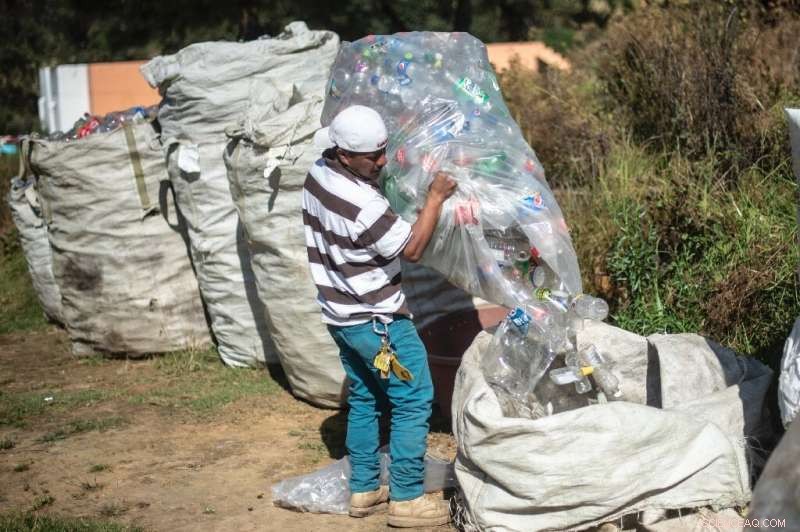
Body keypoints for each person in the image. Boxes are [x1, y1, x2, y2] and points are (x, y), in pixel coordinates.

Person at [302, 105, 457, 528]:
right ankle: (406, 498)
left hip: (341, 318)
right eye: (373, 157)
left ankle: (365, 488)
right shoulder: (363, 204)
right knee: (413, 400)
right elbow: (412, 249)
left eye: (384, 151)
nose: (383, 161)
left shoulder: (318, 174)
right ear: (345, 154)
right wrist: (436, 197)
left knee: (367, 400)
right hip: (379, 323)